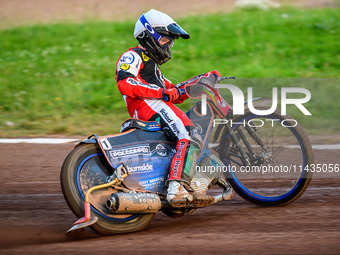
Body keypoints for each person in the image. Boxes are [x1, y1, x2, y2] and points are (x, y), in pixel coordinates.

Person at [115, 9, 213, 208]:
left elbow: (172, 91)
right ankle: (177, 188)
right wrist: (163, 94)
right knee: (189, 135)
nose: (168, 44)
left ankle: (175, 184)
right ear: (148, 35)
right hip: (149, 106)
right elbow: (125, 83)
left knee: (185, 139)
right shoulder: (132, 56)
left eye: (171, 41)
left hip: (154, 105)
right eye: (164, 40)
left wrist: (198, 84)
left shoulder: (154, 69)